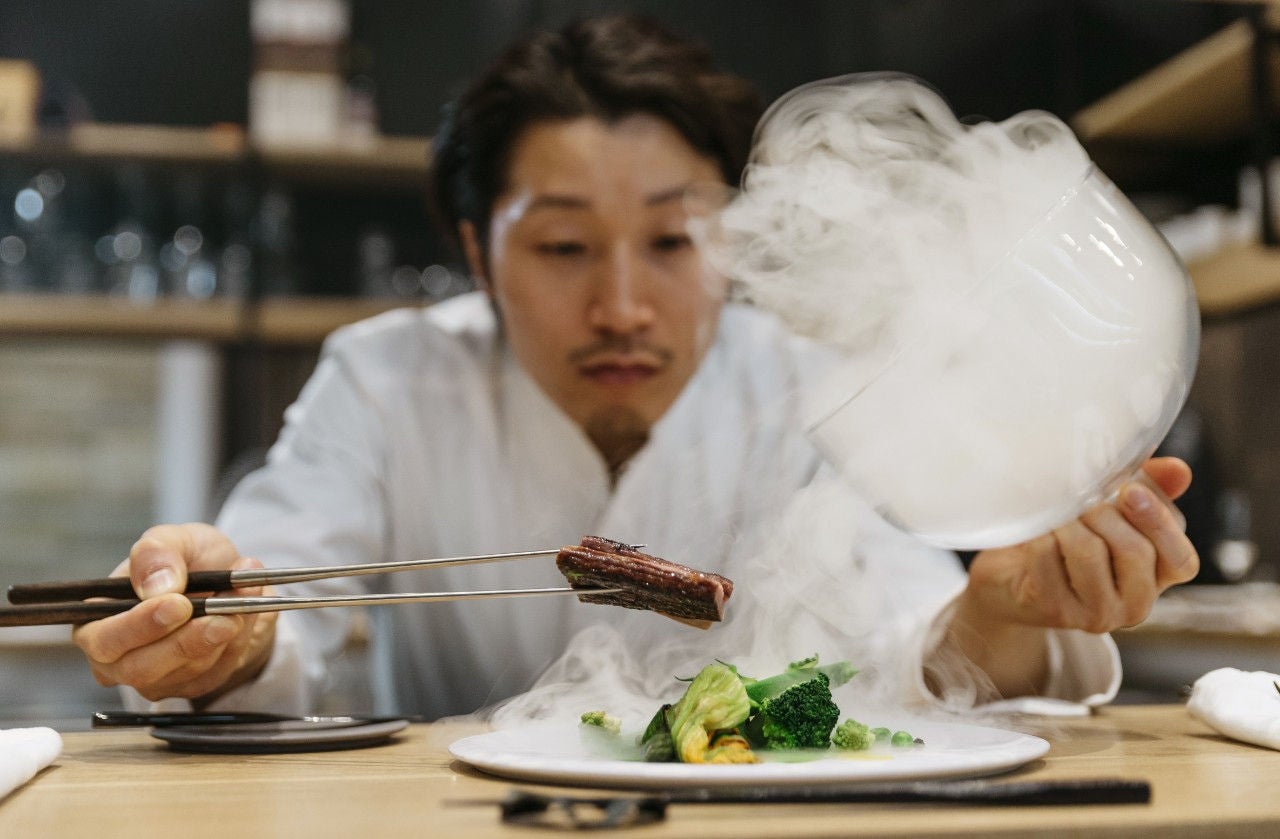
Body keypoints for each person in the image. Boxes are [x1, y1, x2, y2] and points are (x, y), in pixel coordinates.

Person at [71, 15, 1198, 720]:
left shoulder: (802, 388)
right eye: (561, 247)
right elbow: (279, 604)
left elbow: (908, 646)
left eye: (672, 241)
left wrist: (1003, 612)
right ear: (475, 250)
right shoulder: (383, 377)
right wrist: (225, 630)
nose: (619, 305)